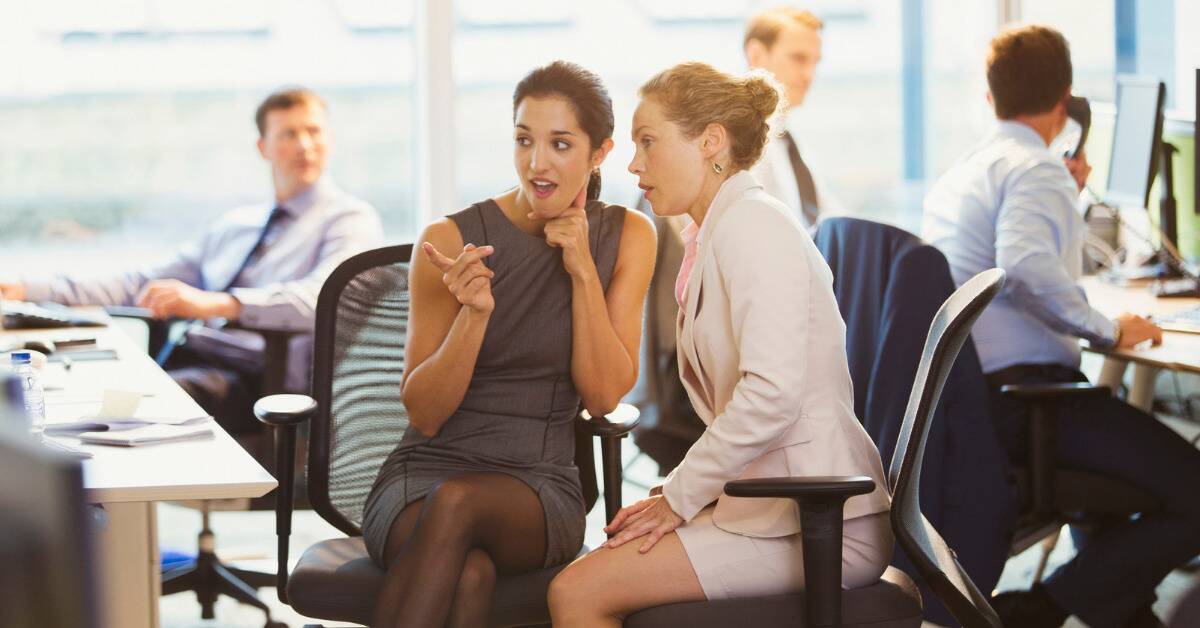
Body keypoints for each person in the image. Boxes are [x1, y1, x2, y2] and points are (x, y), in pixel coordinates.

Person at [546, 62, 891, 626]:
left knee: (579, 593)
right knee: (600, 569)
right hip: (774, 509)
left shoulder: (754, 225)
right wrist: (685, 496)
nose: (633, 164)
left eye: (648, 142)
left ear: (710, 142)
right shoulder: (713, 233)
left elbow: (771, 394)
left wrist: (682, 495)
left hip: (822, 525)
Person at [922, 24, 1200, 628]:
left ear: (991, 98)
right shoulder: (1033, 167)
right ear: (1065, 98)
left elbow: (1013, 256)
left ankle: (1117, 610)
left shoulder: (970, 169)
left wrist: (1060, 198)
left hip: (972, 405)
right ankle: (1040, 608)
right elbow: (1023, 263)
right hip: (1029, 403)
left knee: (1123, 480)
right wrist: (1108, 329)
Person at [360, 61, 656, 628]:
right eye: (524, 140)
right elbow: (424, 414)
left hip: (537, 485)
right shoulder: (450, 240)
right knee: (467, 574)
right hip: (423, 475)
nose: (537, 163)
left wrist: (583, 273)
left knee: (459, 503)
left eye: (560, 144)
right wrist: (473, 317)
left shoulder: (629, 235)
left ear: (599, 153)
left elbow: (601, 397)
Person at [0, 87, 382, 435]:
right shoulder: (236, 226)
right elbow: (140, 284)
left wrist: (217, 303)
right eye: (289, 134)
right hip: (196, 355)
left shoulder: (350, 220)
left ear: (329, 140)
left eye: (314, 131)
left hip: (264, 381)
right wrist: (27, 289)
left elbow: (322, 299)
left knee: (127, 408)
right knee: (76, 387)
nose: (305, 145)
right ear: (263, 147)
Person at [744, 5, 843, 230]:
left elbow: (831, 220)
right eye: (798, 59)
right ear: (756, 55)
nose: (810, 75)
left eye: (815, 62)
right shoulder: (736, 146)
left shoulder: (788, 145)